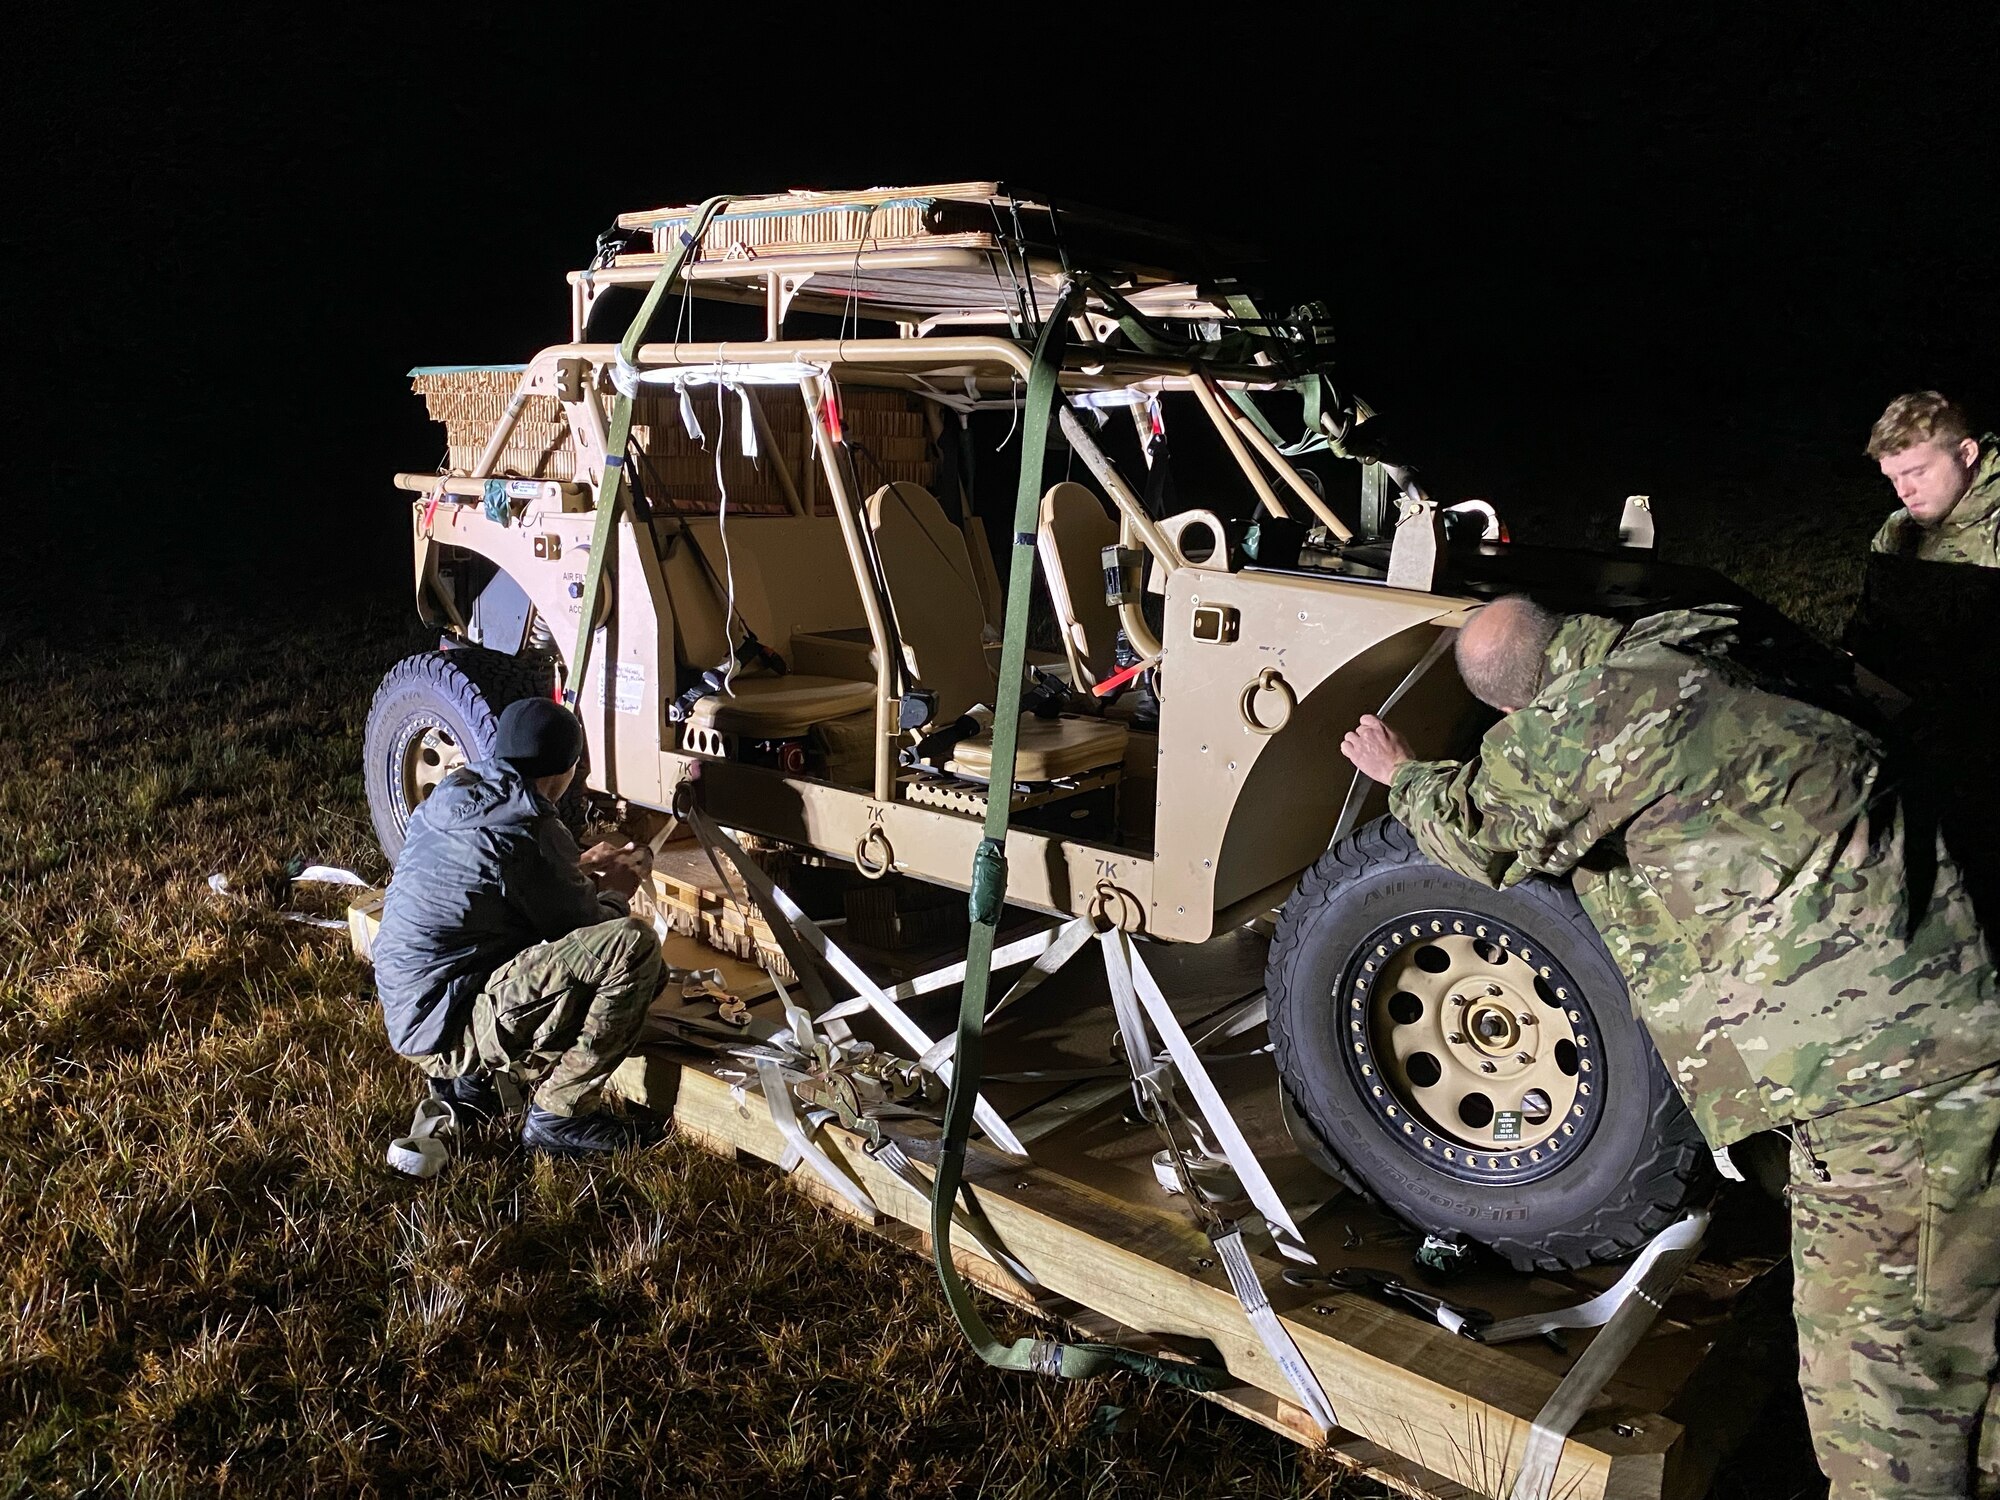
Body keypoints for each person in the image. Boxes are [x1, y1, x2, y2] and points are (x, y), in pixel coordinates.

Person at [1342, 596, 2000, 1499]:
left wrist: (1403, 773)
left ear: (1511, 712)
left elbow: (1484, 835)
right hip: (1958, 1005)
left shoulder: (1595, 713)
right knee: (1969, 1343)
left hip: (1881, 1085)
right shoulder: (1703, 635)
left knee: (1881, 1410)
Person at [371, 696, 664, 1156]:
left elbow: (502, 882)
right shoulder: (531, 829)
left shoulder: (457, 796)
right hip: (449, 1028)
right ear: (565, 773)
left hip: (418, 1009)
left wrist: (578, 865)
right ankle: (561, 1117)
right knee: (635, 949)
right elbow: (590, 930)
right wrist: (618, 890)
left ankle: (474, 1085)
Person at [1867, 391, 2000, 566]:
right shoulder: (1898, 532)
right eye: (1893, 478)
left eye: (1918, 473)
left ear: (1966, 454)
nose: (1902, 492)